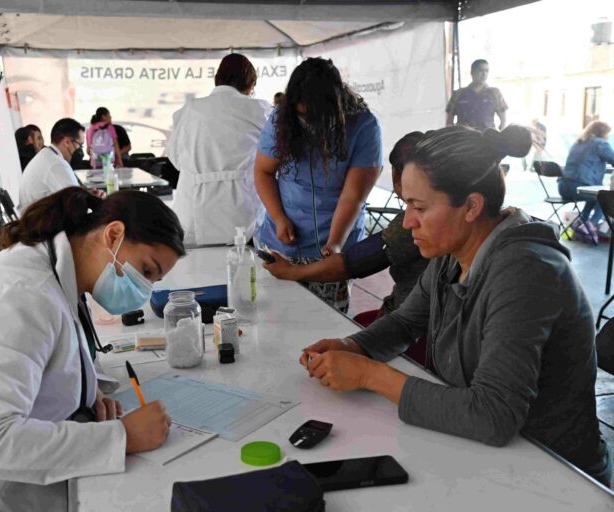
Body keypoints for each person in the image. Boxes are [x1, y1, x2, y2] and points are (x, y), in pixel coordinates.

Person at [300, 125, 611, 487]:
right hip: (497, 460)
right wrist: (353, 346)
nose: (407, 221)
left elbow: (493, 415)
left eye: (419, 207)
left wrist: (370, 374)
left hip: (556, 476)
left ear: (471, 207)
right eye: (406, 206)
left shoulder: (526, 272)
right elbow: (404, 323)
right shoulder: (455, 254)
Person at [0, 187, 185, 511]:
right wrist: (123, 437)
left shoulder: (50, 267)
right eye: (147, 270)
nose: (144, 287)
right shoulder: (23, 294)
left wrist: (81, 391)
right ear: (114, 234)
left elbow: (37, 357)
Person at [254, 57, 382, 312]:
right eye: (301, 116)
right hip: (283, 243)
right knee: (274, 318)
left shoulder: (364, 126)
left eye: (314, 117)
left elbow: (353, 196)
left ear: (333, 107)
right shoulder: (282, 119)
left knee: (325, 323)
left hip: (332, 243)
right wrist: (279, 217)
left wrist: (334, 243)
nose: (307, 124)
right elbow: (263, 171)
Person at [263, 132, 427, 322]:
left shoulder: (412, 225)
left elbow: (352, 264)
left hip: (412, 321)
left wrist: (291, 272)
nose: (409, 221)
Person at [167, 53, 271, 246]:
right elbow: (274, 159)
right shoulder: (261, 110)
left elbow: (175, 158)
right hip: (244, 207)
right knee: (244, 265)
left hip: (195, 209)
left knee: (195, 271)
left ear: (218, 78)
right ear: (250, 84)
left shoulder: (190, 109)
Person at [18, 118, 88, 212]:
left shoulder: (47, 155)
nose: (80, 150)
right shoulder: (55, 164)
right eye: (80, 145)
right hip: (40, 223)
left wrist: (88, 195)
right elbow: (76, 204)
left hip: (34, 218)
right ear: (67, 142)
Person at [558, 121, 614, 234]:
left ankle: (582, 222)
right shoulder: (600, 143)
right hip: (578, 187)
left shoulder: (578, 142)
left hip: (563, 187)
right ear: (603, 133)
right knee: (604, 196)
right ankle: (591, 225)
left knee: (595, 194)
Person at [446, 59, 508, 131]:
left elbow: (503, 120)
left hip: (486, 137)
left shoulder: (494, 93)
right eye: (480, 70)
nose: (484, 74)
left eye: (487, 71)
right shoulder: (458, 94)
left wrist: (500, 136)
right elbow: (449, 121)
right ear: (472, 72)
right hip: (464, 137)